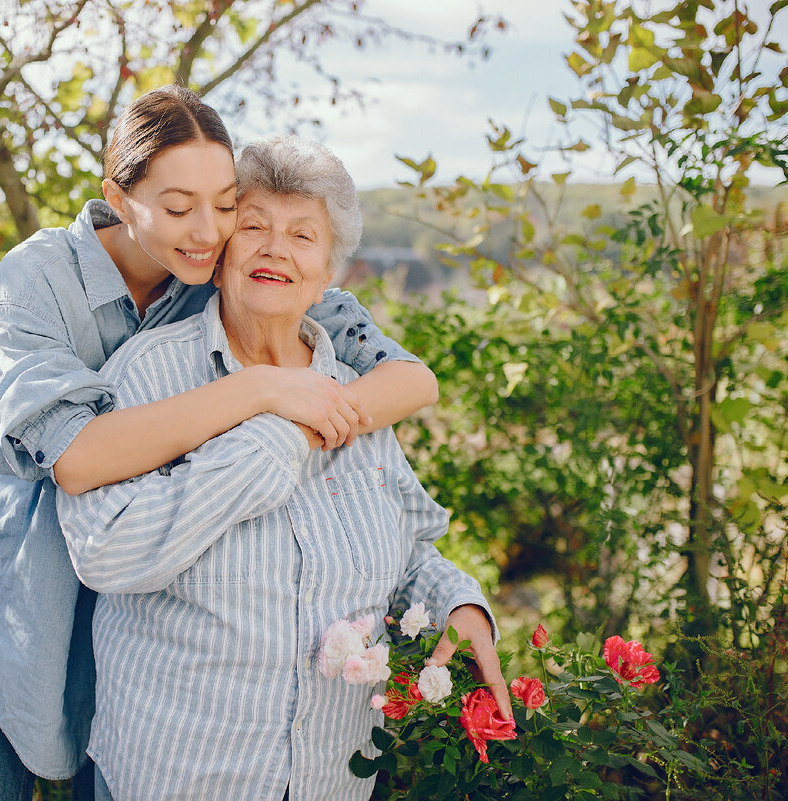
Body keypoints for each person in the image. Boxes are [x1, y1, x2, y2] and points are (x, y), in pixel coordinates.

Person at [0, 87, 441, 800]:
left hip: (150, 620)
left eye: (226, 202)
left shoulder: (230, 269)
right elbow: (77, 457)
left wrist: (309, 420)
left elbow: (412, 379)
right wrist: (261, 392)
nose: (207, 230)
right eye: (178, 209)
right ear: (118, 195)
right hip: (36, 596)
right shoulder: (39, 277)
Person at [57, 135, 510, 801]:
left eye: (302, 235)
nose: (275, 248)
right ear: (218, 256)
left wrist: (457, 602)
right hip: (176, 776)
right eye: (254, 227)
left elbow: (408, 546)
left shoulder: (355, 385)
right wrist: (279, 435)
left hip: (334, 779)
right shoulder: (149, 373)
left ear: (327, 273)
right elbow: (105, 551)